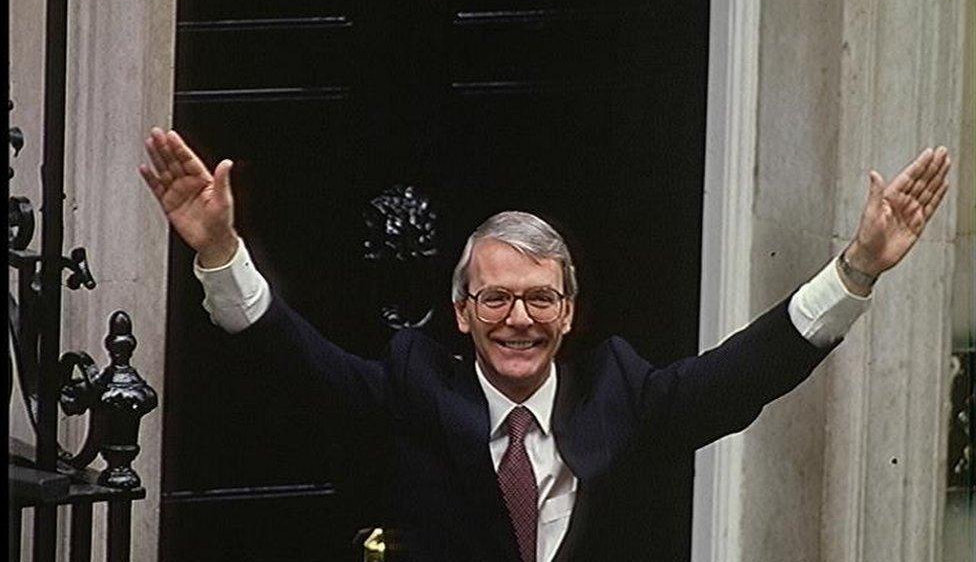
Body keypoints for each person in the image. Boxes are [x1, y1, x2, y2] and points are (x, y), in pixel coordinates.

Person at [140, 128, 950, 562]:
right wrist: (219, 251)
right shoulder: (416, 384)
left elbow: (746, 373)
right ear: (461, 312)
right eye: (495, 296)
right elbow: (295, 361)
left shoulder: (620, 393)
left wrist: (856, 269)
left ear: (568, 314)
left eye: (540, 298)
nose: (518, 318)